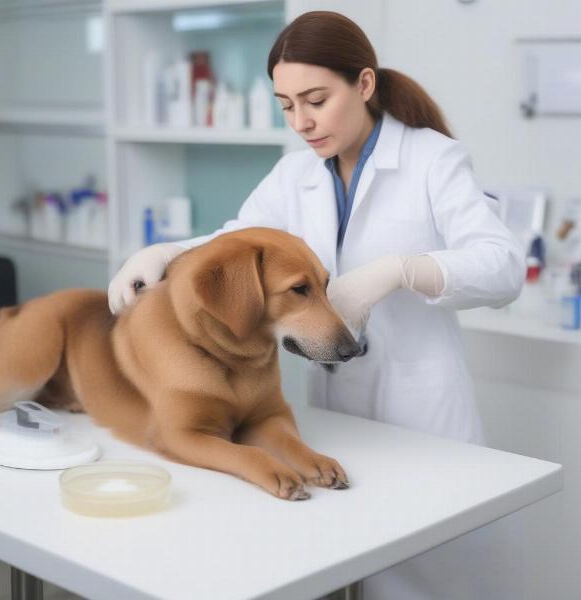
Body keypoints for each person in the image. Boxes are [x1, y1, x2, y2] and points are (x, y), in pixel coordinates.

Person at [108, 11, 525, 599]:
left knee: (430, 579)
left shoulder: (433, 159)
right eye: (285, 105)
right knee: (347, 573)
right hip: (334, 414)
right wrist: (170, 251)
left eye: (315, 99)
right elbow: (239, 238)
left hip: (423, 419)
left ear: (363, 84)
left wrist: (400, 270)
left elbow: (503, 266)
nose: (301, 122)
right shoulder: (295, 173)